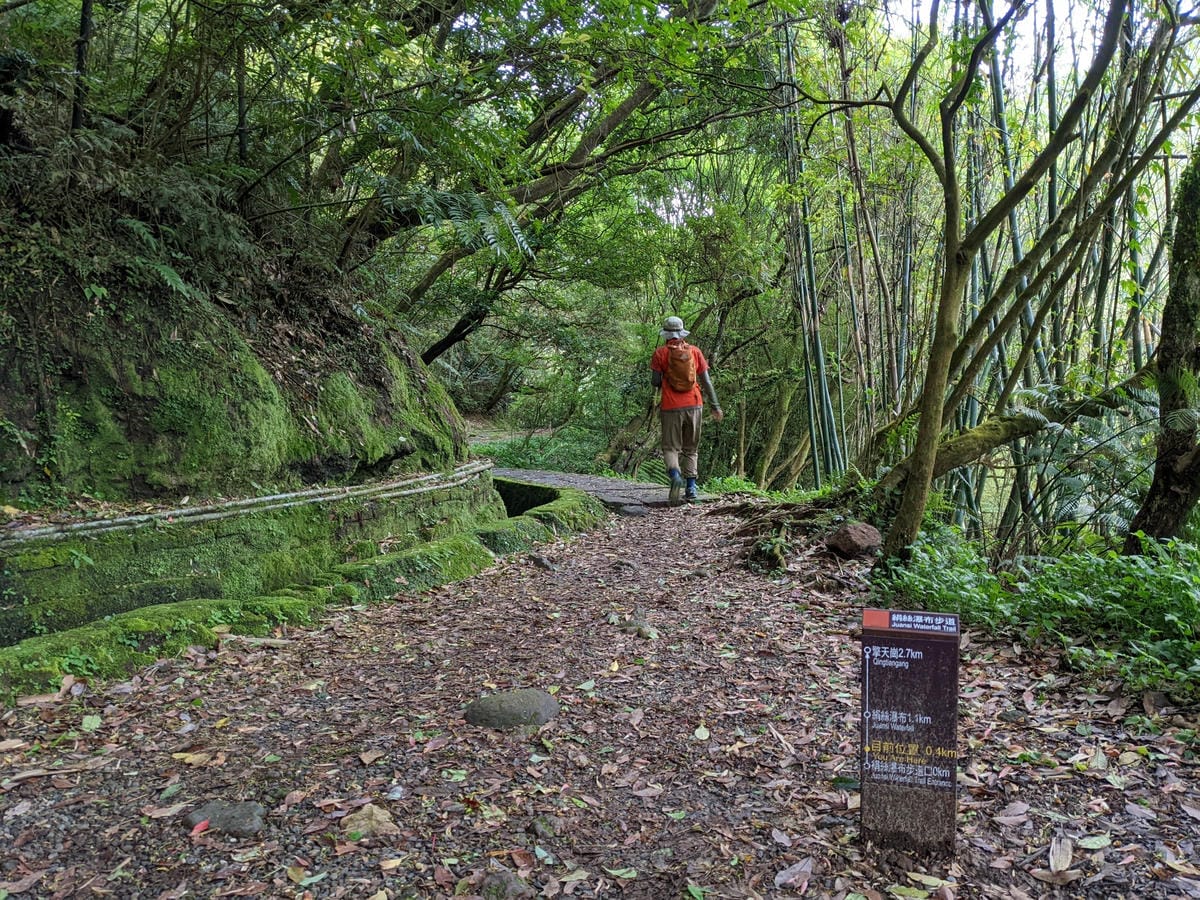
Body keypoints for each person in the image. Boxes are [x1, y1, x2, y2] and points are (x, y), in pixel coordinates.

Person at [650, 315, 723, 503]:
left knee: (670, 447)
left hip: (670, 406)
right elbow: (706, 381)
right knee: (691, 448)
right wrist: (715, 405)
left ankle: (675, 476)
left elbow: (655, 381)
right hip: (695, 404)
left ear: (666, 334)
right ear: (681, 332)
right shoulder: (695, 352)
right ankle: (691, 488)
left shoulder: (660, 353)